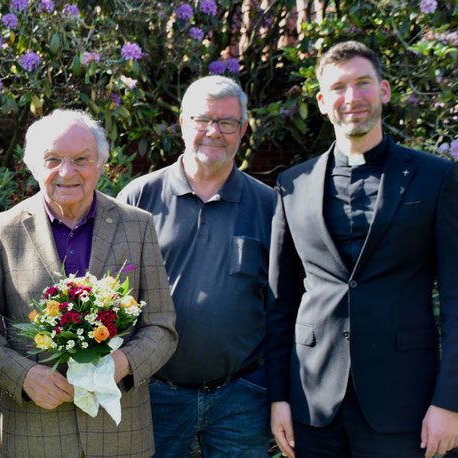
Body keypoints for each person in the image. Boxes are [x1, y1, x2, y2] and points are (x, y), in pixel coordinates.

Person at [267, 40, 458, 458]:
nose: (351, 97)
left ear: (384, 90)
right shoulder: (290, 185)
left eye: (363, 83)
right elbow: (281, 303)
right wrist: (277, 397)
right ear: (321, 101)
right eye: (338, 87)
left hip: (405, 403)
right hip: (312, 406)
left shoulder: (437, 178)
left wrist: (450, 402)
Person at [0, 109, 178, 458]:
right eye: (53, 160)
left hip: (119, 435)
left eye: (81, 159)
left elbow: (161, 326)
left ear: (100, 164)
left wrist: (121, 365)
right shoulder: (3, 231)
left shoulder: (137, 226)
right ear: (34, 166)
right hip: (34, 434)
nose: (67, 172)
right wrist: (23, 376)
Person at [118, 75, 275, 457]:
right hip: (154, 391)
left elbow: (282, 305)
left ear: (243, 129)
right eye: (203, 120)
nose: (214, 132)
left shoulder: (268, 205)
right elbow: (113, 295)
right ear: (184, 123)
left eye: (226, 122)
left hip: (240, 397)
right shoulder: (139, 197)